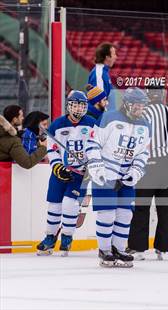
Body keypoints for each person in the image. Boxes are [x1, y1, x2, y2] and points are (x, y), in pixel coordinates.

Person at [86, 87, 151, 268]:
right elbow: (93, 144)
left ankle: (119, 249)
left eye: (142, 105)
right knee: (107, 215)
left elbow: (143, 153)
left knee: (125, 215)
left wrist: (136, 171)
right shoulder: (109, 118)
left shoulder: (145, 125)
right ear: (127, 104)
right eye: (136, 105)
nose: (139, 109)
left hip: (126, 177)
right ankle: (105, 250)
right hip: (106, 174)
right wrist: (97, 167)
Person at [36, 91, 96, 256]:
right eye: (76, 104)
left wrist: (92, 162)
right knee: (54, 205)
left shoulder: (91, 123)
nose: (79, 108)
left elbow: (95, 145)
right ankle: (49, 237)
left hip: (80, 174)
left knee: (71, 204)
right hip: (60, 172)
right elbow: (52, 149)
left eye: (82, 105)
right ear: (69, 105)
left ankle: (67, 237)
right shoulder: (57, 124)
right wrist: (57, 166)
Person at [127, 87, 168, 261]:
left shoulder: (144, 112)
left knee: (142, 206)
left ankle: (138, 247)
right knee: (166, 207)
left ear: (149, 96)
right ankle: (162, 248)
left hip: (150, 163)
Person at [88, 42, 117, 111]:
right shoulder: (99, 73)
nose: (116, 57)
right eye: (114, 54)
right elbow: (100, 103)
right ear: (107, 57)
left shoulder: (103, 72)